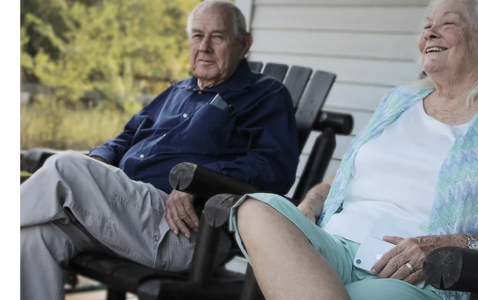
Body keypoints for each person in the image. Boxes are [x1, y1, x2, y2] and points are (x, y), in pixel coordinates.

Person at [230, 0, 478, 299]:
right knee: (256, 208)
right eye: (427, 27)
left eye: (448, 24)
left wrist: (447, 244)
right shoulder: (399, 100)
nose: (430, 33)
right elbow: (350, 176)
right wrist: (311, 202)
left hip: (417, 273)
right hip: (329, 247)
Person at [19, 1, 300, 299]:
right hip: (124, 214)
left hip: (183, 230)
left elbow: (273, 167)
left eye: (217, 37)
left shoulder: (265, 94)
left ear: (243, 44)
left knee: (66, 167)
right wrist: (100, 159)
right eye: (197, 35)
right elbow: (126, 136)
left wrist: (200, 180)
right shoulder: (178, 91)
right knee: (36, 237)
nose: (204, 47)